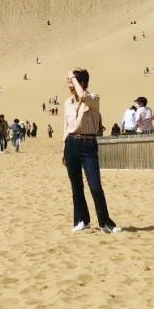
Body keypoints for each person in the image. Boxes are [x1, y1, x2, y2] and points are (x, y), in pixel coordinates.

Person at [63, 69, 120, 234]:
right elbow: (66, 127)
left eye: (72, 82)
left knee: (95, 186)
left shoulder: (93, 99)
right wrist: (63, 149)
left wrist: (73, 77)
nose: (69, 85)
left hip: (88, 145)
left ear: (81, 82)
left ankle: (105, 223)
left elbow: (83, 96)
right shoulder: (68, 103)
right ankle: (82, 220)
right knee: (76, 187)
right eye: (68, 81)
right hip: (71, 144)